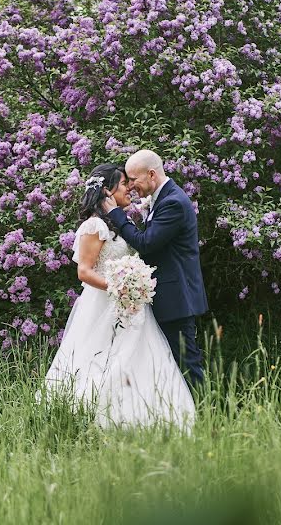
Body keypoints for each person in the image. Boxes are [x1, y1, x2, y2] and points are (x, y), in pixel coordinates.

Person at [42, 163, 195, 429]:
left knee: (141, 358)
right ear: (108, 191)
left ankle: (147, 418)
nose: (130, 188)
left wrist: (132, 286)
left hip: (132, 306)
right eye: (124, 184)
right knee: (100, 360)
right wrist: (118, 288)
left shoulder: (119, 223)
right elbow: (84, 272)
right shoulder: (94, 226)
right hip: (107, 304)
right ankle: (91, 420)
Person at [102, 149, 208, 386]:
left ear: (151, 174)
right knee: (173, 362)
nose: (129, 187)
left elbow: (146, 243)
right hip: (170, 296)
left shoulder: (173, 203)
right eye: (126, 181)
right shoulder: (163, 198)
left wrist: (117, 215)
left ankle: (206, 416)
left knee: (187, 363)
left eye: (133, 179)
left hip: (176, 298)